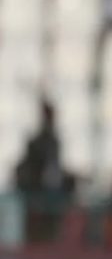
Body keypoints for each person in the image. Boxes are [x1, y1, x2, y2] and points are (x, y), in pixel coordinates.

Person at [14, 100, 75, 245]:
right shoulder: (41, 141)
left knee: (46, 233)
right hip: (39, 192)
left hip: (47, 193)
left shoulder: (50, 140)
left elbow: (53, 168)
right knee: (41, 234)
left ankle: (49, 235)